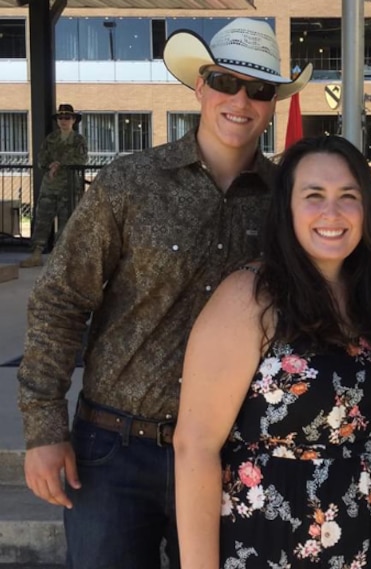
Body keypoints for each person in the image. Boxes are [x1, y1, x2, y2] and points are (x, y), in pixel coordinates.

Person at [17, 18, 311, 568]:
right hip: (113, 449)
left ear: (273, 104)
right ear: (200, 85)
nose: (240, 100)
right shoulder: (131, 182)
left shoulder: (287, 205)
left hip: (233, 454)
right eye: (226, 81)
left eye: (260, 89)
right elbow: (61, 300)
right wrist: (43, 428)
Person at [173, 134, 371, 568]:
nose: (332, 212)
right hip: (271, 545)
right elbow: (195, 447)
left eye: (348, 196)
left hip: (368, 540)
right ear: (287, 207)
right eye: (313, 195)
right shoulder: (251, 296)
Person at [19, 103, 88, 268]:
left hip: (69, 187)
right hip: (50, 186)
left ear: (73, 120)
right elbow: (41, 159)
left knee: (67, 222)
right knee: (42, 219)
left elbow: (81, 159)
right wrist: (51, 164)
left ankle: (60, 257)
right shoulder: (50, 139)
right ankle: (36, 254)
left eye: (67, 118)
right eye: (60, 118)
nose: (63, 121)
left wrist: (60, 163)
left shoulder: (78, 140)